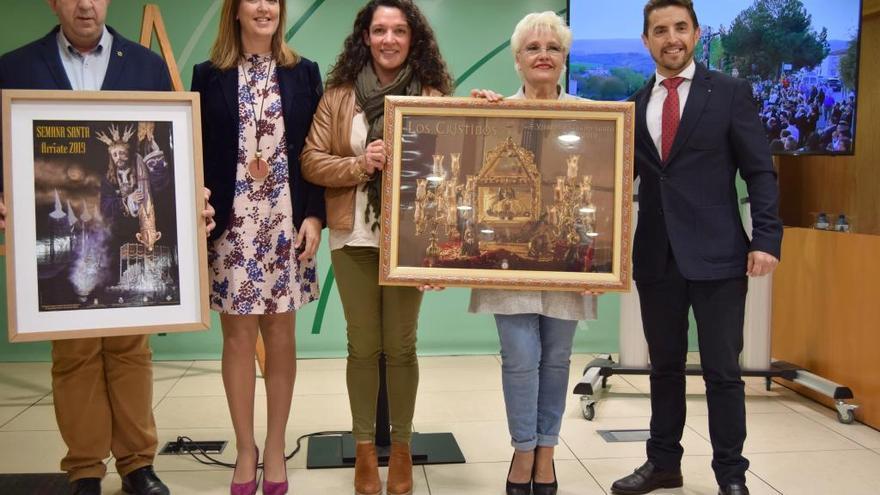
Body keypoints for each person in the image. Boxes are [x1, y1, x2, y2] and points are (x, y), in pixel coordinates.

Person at [0, 1, 216, 494]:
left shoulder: (145, 66)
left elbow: (168, 151)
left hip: (124, 229)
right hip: (64, 232)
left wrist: (190, 195)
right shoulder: (16, 69)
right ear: (53, 2)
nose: (85, 4)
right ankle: (85, 470)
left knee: (130, 348)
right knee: (73, 351)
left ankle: (138, 464)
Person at [610, 2, 782, 495]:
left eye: (680, 28)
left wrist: (766, 239)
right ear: (646, 40)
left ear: (697, 33)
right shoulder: (635, 104)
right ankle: (663, 464)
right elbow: (619, 182)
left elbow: (759, 172)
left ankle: (731, 475)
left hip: (721, 256)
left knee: (723, 373)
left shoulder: (728, 93)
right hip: (656, 259)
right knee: (663, 369)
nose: (671, 38)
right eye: (660, 30)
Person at [300, 1, 451, 494]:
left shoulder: (432, 95)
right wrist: (361, 163)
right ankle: (366, 450)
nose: (389, 39)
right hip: (354, 237)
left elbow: (454, 165)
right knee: (363, 346)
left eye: (399, 30)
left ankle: (401, 450)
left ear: (414, 38)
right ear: (365, 37)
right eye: (380, 30)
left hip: (410, 240)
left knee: (401, 347)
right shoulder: (339, 96)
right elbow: (311, 162)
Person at [190, 0, 324, 494]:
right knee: (239, 338)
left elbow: (316, 150)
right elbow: (195, 150)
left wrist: (315, 214)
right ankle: (245, 448)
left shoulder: (303, 72)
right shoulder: (207, 75)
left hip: (285, 222)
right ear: (237, 10)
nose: (265, 6)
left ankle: (274, 446)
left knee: (282, 334)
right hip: (231, 223)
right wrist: (197, 206)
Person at [469, 11, 597, 495]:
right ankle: (523, 449)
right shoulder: (493, 112)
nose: (543, 55)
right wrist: (476, 112)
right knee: (520, 357)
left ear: (564, 59)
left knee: (558, 358)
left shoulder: (594, 117)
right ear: (517, 60)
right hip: (506, 257)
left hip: (567, 257)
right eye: (533, 48)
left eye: (553, 48)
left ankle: (547, 452)